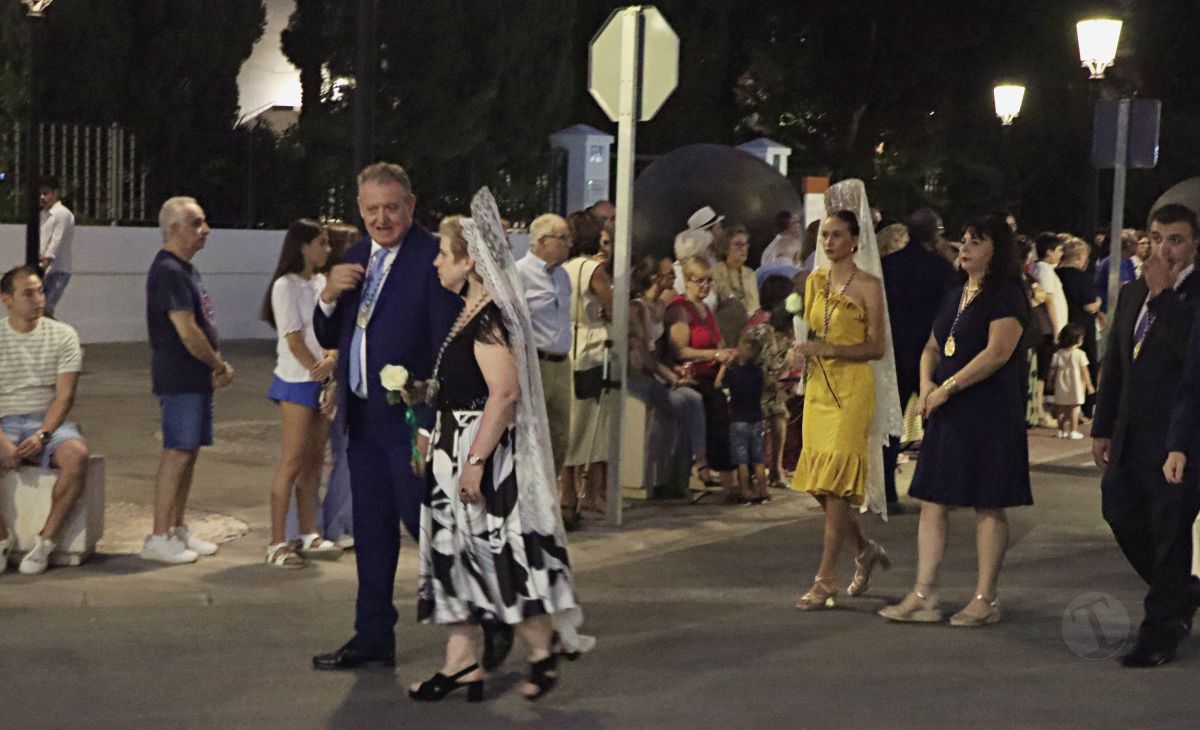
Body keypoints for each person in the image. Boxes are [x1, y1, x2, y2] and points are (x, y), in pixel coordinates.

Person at [411, 188, 579, 703]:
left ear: (468, 262)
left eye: (445, 253)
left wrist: (474, 464)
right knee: (460, 556)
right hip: (453, 447)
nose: (437, 261)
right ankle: (466, 661)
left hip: (474, 452)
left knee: (493, 554)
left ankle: (536, 646)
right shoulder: (470, 310)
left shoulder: (488, 317)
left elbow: (504, 395)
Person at [310, 163, 462, 671]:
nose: (382, 218)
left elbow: (446, 342)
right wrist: (329, 295)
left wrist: (428, 420)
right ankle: (372, 635)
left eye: (391, 207)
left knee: (429, 527)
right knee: (372, 533)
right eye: (372, 208)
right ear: (359, 209)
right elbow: (331, 336)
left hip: (409, 421)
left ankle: (479, 621)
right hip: (362, 421)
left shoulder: (431, 257)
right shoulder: (354, 257)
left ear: (411, 207)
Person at [879, 214, 1031, 627]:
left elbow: (997, 354)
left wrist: (949, 388)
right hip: (947, 410)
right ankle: (924, 593)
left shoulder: (1007, 295)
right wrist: (928, 383)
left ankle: (986, 598)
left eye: (975, 242)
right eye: (963, 240)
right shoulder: (956, 290)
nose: (963, 248)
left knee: (988, 503)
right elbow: (932, 345)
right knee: (932, 500)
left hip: (990, 412)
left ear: (996, 251)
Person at [1095, 203, 1200, 667]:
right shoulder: (1134, 292)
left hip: (1179, 439)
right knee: (1118, 511)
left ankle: (1159, 633)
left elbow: (1193, 362)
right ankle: (1181, 595)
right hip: (1129, 436)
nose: (1165, 249)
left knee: (1171, 533)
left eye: (1175, 239)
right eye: (1157, 238)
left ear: (1194, 243)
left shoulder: (1190, 295)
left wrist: (1166, 298)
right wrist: (1102, 427)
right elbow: (1116, 364)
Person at [791, 209, 891, 610]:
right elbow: (812, 330)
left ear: (855, 240)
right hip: (819, 386)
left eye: (837, 235)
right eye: (824, 235)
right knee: (818, 483)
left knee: (835, 484)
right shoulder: (814, 283)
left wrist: (833, 349)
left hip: (852, 388)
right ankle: (864, 549)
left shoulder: (869, 286)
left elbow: (877, 347)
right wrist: (802, 350)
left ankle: (825, 575)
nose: (829, 242)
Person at [140, 196, 232, 565]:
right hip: (179, 376)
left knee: (189, 453)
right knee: (176, 453)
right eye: (196, 223)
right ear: (173, 228)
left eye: (203, 222)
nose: (204, 229)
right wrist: (218, 364)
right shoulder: (169, 271)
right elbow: (187, 330)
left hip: (193, 378)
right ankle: (159, 535)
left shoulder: (186, 270)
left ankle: (177, 528)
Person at [260, 219, 341, 569]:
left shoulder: (323, 283)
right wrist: (318, 369)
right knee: (291, 462)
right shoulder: (285, 285)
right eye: (321, 242)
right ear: (303, 247)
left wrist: (331, 364)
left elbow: (332, 330)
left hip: (321, 380)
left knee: (313, 464)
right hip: (296, 381)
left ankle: (309, 532)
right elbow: (293, 338)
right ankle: (277, 541)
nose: (327, 249)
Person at [0, 265, 90, 576]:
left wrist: (42, 434)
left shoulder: (63, 335)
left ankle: (46, 542)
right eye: (28, 293)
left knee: (77, 456)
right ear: (7, 300)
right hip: (4, 420)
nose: (38, 299)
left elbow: (65, 396)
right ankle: (1, 540)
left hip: (47, 419)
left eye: (40, 291)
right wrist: (1, 441)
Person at [880, 208, 954, 508]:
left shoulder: (888, 266)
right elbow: (949, 313)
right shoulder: (941, 268)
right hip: (930, 352)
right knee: (938, 422)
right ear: (935, 233)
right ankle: (937, 489)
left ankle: (886, 490)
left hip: (894, 352)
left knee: (890, 423)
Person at [626, 258, 712, 484]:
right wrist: (668, 376)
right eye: (669, 274)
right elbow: (643, 352)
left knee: (692, 400)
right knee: (686, 402)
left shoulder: (661, 306)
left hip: (658, 372)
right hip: (640, 375)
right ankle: (696, 465)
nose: (674, 278)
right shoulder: (637, 308)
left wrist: (674, 371)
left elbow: (661, 349)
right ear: (656, 278)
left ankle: (684, 472)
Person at [665, 257, 736, 492]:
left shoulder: (705, 308)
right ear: (686, 281)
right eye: (700, 281)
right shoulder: (680, 310)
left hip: (712, 374)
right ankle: (717, 469)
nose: (705, 286)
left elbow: (718, 342)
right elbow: (679, 350)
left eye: (709, 281)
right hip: (692, 374)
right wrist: (714, 355)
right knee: (715, 403)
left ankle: (739, 471)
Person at [562, 215, 615, 525]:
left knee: (572, 423)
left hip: (568, 345)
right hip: (593, 348)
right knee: (593, 425)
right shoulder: (591, 270)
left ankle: (571, 493)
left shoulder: (563, 269)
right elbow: (612, 307)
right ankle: (588, 495)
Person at [515, 214, 573, 477]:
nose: (569, 244)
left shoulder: (563, 276)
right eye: (562, 238)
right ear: (541, 240)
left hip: (561, 363)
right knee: (531, 436)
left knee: (559, 437)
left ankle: (551, 494)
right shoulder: (519, 274)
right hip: (535, 362)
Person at [743, 275, 798, 487]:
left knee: (778, 410)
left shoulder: (787, 334)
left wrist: (787, 378)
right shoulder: (758, 332)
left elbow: (784, 364)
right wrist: (769, 380)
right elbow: (748, 364)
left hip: (773, 388)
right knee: (775, 407)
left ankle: (776, 468)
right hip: (752, 385)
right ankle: (765, 469)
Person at [716, 333, 771, 504]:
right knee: (758, 458)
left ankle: (745, 490)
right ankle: (763, 490)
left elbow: (718, 384)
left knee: (742, 460)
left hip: (738, 420)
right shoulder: (758, 373)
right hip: (756, 418)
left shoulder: (734, 373)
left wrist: (725, 365)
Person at [1055, 235, 1101, 416]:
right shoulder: (1081, 277)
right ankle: (1086, 407)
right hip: (1081, 328)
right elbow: (1090, 306)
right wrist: (1098, 301)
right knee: (1084, 367)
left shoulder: (1056, 274)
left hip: (1061, 324)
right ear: (1080, 257)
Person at [1031, 233, 1067, 427]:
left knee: (1044, 371)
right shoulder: (1044, 269)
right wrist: (1056, 329)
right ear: (1049, 251)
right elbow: (1048, 300)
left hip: (1046, 327)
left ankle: (1040, 408)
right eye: (1059, 250)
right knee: (1042, 372)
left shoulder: (1043, 269)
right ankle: (1039, 411)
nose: (1061, 254)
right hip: (1046, 328)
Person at [712, 224, 760, 345]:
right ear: (726, 247)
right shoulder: (715, 273)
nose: (744, 248)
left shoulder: (750, 274)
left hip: (752, 334)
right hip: (726, 334)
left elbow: (755, 305)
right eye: (738, 244)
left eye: (746, 244)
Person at [37, 176, 75, 317]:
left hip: (58, 270)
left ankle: (58, 337)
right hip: (46, 269)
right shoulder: (44, 215)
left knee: (44, 310)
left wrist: (43, 266)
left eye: (46, 193)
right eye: (40, 193)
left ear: (55, 193)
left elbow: (55, 243)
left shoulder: (63, 214)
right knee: (41, 311)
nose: (42, 197)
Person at [1049, 323, 1094, 439]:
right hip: (1076, 385)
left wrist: (1050, 382)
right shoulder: (1080, 354)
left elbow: (1052, 370)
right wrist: (1089, 385)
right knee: (1074, 409)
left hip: (1061, 384)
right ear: (1077, 340)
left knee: (1061, 409)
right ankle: (1073, 430)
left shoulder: (1058, 354)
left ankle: (1061, 430)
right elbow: (1085, 371)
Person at [1095, 229, 1139, 310]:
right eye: (1136, 243)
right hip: (1108, 310)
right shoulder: (1114, 261)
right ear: (1129, 244)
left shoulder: (1129, 261)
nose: (1138, 246)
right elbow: (1122, 287)